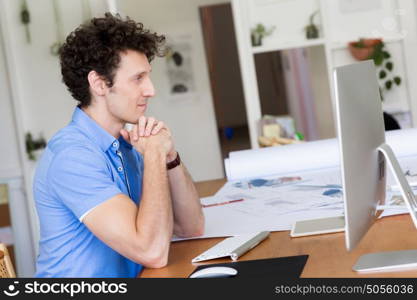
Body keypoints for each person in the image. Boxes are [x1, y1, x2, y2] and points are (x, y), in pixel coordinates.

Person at [33, 13, 204, 277]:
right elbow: (152, 252)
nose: (151, 90)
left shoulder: (127, 144)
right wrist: (154, 155)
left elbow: (191, 227)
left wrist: (169, 155)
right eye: (138, 78)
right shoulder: (72, 157)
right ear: (99, 84)